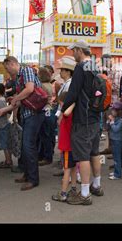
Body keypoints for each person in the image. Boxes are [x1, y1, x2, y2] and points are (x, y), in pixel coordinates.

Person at [0, 56, 45, 191]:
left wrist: (15, 98)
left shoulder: (26, 71)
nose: (7, 71)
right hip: (27, 114)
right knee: (25, 146)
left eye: (7, 67)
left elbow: (29, 89)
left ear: (13, 64)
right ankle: (28, 175)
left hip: (34, 114)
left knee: (28, 146)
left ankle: (33, 179)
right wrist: (4, 110)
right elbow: (19, 101)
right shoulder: (17, 78)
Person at [60, 41, 103, 205]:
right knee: (94, 152)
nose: (73, 54)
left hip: (82, 118)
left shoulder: (80, 67)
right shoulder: (94, 66)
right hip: (94, 117)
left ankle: (84, 194)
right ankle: (96, 185)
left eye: (74, 51)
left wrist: (63, 109)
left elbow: (73, 92)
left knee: (83, 155)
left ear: (79, 50)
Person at [52, 57, 78, 202]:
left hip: (67, 144)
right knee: (73, 167)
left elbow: (66, 110)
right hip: (72, 143)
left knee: (67, 168)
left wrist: (64, 110)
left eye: (62, 70)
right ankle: (73, 189)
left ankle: (63, 193)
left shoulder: (66, 113)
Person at [37, 67, 56, 166]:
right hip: (50, 110)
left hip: (44, 110)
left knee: (45, 135)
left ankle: (47, 157)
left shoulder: (42, 86)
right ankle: (47, 155)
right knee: (49, 135)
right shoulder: (49, 85)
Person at [0, 83, 12, 169]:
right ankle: (8, 160)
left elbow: (4, 112)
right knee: (4, 143)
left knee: (5, 144)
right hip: (0, 124)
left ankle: (8, 161)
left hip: (2, 125)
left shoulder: (0, 100)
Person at [107, 102, 122, 180]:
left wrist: (111, 121)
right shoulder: (116, 119)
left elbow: (115, 129)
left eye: (114, 110)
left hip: (118, 140)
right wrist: (109, 121)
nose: (112, 111)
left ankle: (118, 174)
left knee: (117, 158)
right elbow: (108, 127)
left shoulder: (121, 120)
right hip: (113, 139)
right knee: (114, 157)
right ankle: (116, 171)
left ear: (119, 111)